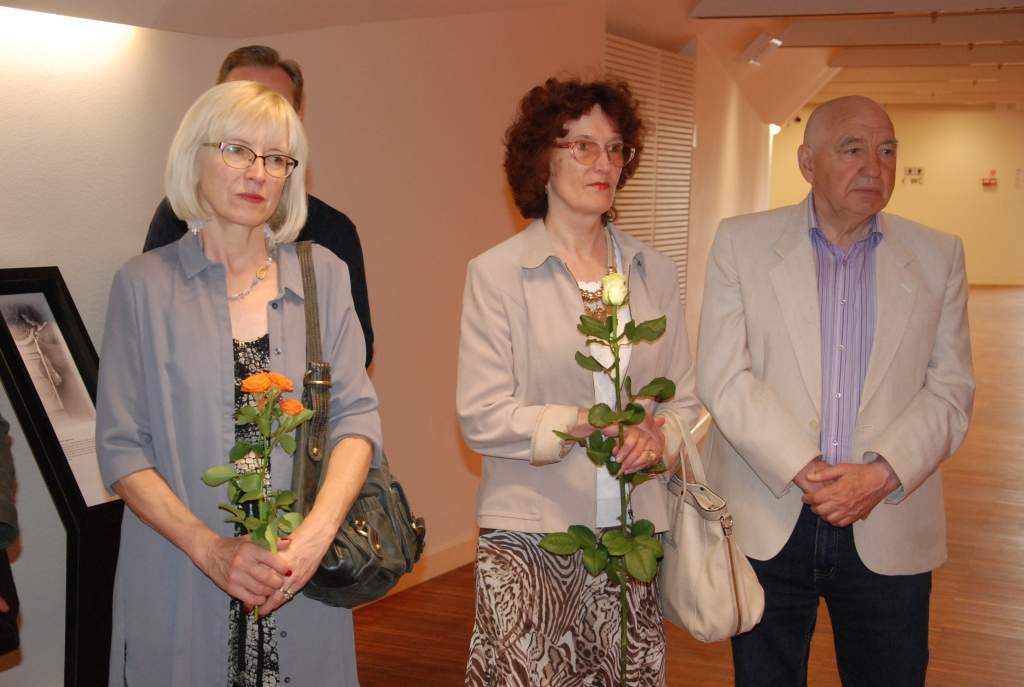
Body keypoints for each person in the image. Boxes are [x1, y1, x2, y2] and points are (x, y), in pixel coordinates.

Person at [96, 81, 381, 687]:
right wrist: (210, 549)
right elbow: (121, 449)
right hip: (181, 573)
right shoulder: (143, 285)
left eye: (276, 158)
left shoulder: (324, 277)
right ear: (193, 157)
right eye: (236, 150)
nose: (257, 173)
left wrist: (313, 539)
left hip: (297, 576)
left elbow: (356, 420)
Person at [697, 95, 975, 686]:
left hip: (889, 518)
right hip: (770, 518)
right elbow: (724, 376)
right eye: (852, 149)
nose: (874, 167)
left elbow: (950, 389)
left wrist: (880, 475)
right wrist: (809, 470)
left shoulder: (938, 255)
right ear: (807, 162)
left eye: (887, 151)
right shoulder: (742, 244)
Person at [457, 78, 700, 686]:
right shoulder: (497, 274)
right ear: (543, 160)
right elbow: (481, 416)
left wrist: (659, 437)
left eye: (615, 149)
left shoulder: (654, 272)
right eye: (583, 147)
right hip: (532, 539)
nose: (605, 164)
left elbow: (685, 400)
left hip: (634, 538)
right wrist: (582, 423)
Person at [143, 45, 374, 368]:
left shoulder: (331, 234)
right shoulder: (173, 221)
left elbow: (355, 353)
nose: (256, 172)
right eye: (240, 107)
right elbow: (149, 345)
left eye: (275, 107)